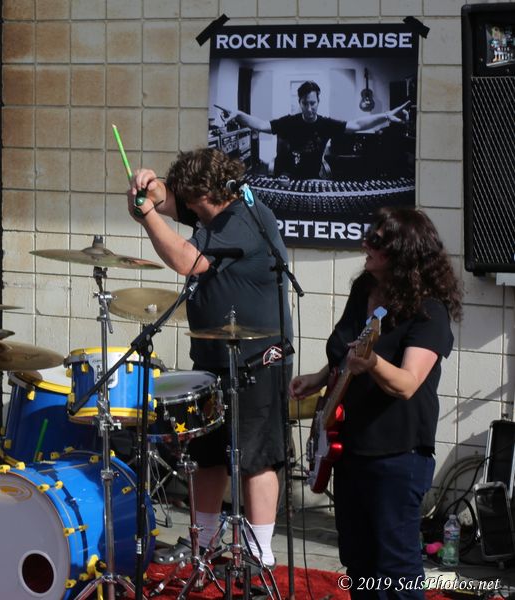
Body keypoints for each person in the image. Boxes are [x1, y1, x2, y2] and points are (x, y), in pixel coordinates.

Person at [128, 148, 293, 567]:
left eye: (190, 200)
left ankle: (259, 553)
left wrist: (148, 217)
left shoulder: (241, 219)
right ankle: (203, 542)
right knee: (207, 453)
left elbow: (187, 261)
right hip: (216, 353)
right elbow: (167, 199)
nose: (186, 209)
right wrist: (149, 185)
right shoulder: (215, 211)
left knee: (256, 458)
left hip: (258, 358)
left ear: (205, 196)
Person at [290, 208, 460, 600]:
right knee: (358, 561)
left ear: (404, 252)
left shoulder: (429, 312)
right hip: (350, 448)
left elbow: (407, 383)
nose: (365, 243)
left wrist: (374, 363)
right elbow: (346, 352)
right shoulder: (364, 288)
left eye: (377, 241)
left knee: (396, 568)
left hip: (397, 454)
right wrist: (320, 377)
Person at [225, 80, 410, 179]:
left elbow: (357, 125)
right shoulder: (288, 122)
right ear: (299, 102)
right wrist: (239, 114)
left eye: (313, 103)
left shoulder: (326, 124)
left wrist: (386, 116)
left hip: (314, 177)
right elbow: (260, 125)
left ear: (318, 102)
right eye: (305, 103)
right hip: (288, 178)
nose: (309, 108)